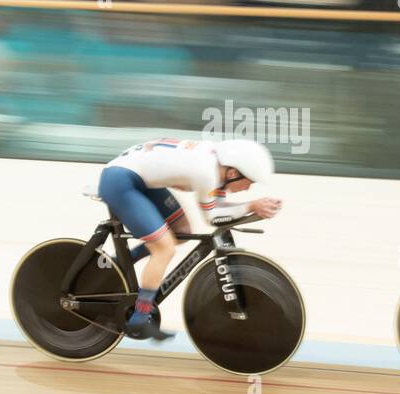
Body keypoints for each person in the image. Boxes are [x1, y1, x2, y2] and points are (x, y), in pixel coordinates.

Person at [98, 137, 282, 341]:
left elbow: (218, 208)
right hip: (121, 181)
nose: (247, 188)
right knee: (164, 249)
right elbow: (212, 217)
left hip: (137, 177)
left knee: (181, 230)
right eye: (248, 182)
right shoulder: (206, 172)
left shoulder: (217, 166)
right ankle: (139, 317)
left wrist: (252, 206)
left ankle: (120, 264)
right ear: (233, 173)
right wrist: (252, 206)